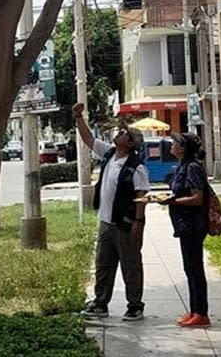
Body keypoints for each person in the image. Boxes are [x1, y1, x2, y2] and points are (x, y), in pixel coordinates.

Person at [72, 103, 150, 321]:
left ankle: (135, 305)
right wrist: (79, 118)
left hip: (125, 223)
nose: (119, 134)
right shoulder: (108, 154)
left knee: (130, 264)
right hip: (106, 221)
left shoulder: (137, 166)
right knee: (103, 264)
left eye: (124, 133)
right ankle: (100, 302)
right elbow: (88, 140)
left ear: (131, 143)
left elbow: (141, 196)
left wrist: (138, 223)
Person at [163, 132, 211, 328]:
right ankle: (194, 310)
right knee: (189, 268)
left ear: (183, 148)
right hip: (184, 224)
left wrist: (173, 201)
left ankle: (202, 313)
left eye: (176, 143)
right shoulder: (183, 166)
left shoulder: (192, 167)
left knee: (195, 268)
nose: (172, 145)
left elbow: (197, 198)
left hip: (193, 224)